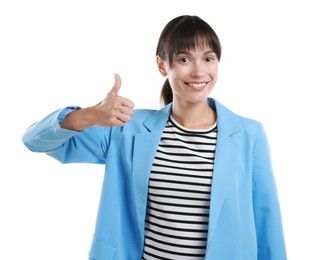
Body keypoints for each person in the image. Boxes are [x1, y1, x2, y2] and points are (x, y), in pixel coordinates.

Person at [22, 15, 287, 260]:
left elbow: (267, 226)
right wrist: (90, 115)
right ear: (162, 65)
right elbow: (34, 140)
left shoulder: (248, 135)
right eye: (184, 59)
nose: (198, 71)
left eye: (208, 58)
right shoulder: (127, 129)